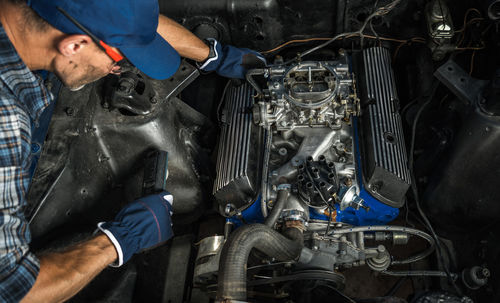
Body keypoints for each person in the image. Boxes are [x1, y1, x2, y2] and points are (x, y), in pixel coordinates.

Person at [0, 0, 265, 302]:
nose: (119, 70)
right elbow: (15, 290)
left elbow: (129, 18)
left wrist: (212, 55)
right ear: (74, 46)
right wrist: (119, 240)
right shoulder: (6, 120)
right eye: (119, 59)